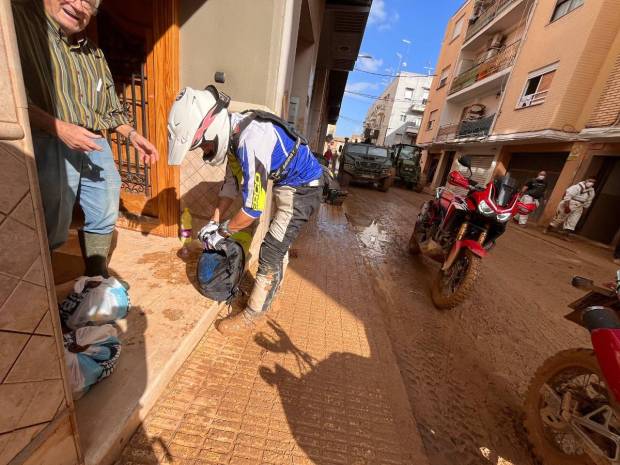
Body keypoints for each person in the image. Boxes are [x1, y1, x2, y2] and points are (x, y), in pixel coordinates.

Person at [12, 0, 158, 277]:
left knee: (106, 197)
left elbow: (107, 107)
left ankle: (95, 275)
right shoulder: (17, 25)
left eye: (89, 3)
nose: (80, 6)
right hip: (46, 137)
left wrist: (133, 135)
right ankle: (39, 283)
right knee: (54, 210)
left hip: (92, 138)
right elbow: (10, 97)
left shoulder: (92, 53)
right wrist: (59, 128)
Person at [167, 86, 323, 336]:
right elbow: (229, 187)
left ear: (212, 128)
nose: (205, 152)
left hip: (303, 188)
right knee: (278, 242)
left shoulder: (251, 140)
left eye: (203, 146)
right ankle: (271, 293)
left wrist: (223, 232)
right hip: (288, 183)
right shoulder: (234, 137)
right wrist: (213, 221)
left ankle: (254, 315)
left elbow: (252, 210)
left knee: (271, 248)